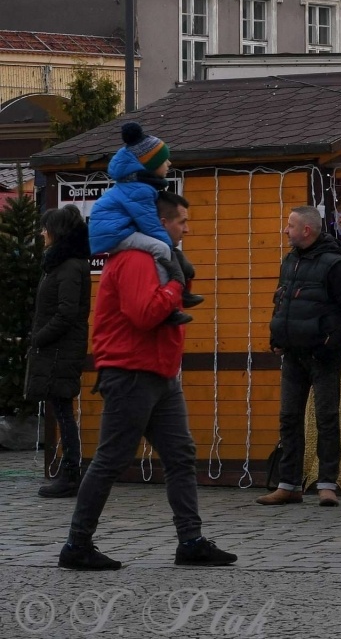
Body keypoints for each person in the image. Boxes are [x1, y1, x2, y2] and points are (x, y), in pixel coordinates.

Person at [60, 191, 236, 570]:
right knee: (111, 459)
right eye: (182, 222)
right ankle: (76, 544)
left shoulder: (155, 258)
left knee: (180, 455)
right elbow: (144, 314)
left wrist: (175, 283)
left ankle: (191, 541)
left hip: (158, 371)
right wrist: (175, 287)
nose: (187, 229)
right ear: (161, 222)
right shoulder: (137, 259)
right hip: (132, 371)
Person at [259, 206, 341, 507]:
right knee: (289, 418)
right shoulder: (290, 260)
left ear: (307, 230)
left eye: (290, 225)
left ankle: (327, 484)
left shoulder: (334, 264)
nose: (285, 230)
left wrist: (332, 343)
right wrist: (276, 337)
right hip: (293, 353)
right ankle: (289, 484)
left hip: (322, 355)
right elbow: (282, 300)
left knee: (326, 418)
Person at [87, 122, 201, 326]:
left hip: (115, 230)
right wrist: (168, 246)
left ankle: (180, 292)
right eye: (164, 160)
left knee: (165, 249)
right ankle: (167, 297)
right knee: (161, 248)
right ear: (150, 165)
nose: (169, 163)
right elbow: (150, 224)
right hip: (114, 233)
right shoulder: (140, 189)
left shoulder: (136, 185)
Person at [26, 206, 93, 498]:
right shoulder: (60, 264)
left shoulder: (69, 267)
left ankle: (70, 474)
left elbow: (66, 313)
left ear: (58, 232)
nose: (42, 233)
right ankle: (69, 473)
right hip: (56, 349)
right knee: (62, 409)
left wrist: (38, 338)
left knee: (64, 411)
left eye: (46, 228)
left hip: (59, 351)